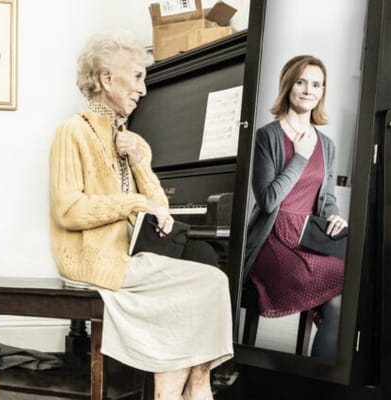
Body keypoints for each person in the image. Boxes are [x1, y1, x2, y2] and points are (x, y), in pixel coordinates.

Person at [49, 32, 233, 400]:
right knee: (209, 282)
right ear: (106, 79)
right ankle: (194, 387)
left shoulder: (133, 139)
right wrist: (132, 203)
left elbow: (160, 209)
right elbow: (68, 211)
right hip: (89, 258)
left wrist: (140, 161)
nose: (143, 89)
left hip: (130, 254)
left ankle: (190, 384)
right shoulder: (73, 131)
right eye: (136, 77)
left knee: (206, 268)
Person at [244, 55, 347, 361]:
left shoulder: (327, 145)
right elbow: (268, 200)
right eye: (301, 82)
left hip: (309, 236)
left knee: (347, 287)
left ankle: (318, 376)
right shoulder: (267, 136)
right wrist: (299, 157)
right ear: (288, 85)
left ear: (323, 90)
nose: (308, 90)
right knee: (327, 277)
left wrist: (334, 216)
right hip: (274, 239)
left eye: (316, 84)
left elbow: (327, 197)